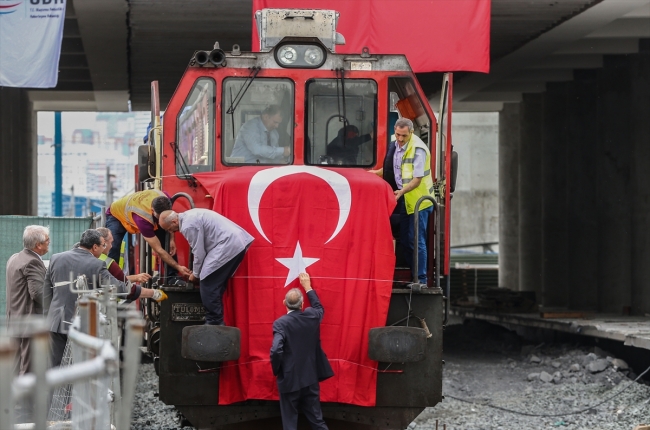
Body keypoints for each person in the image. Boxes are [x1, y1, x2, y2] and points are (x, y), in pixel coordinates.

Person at [43, 229, 165, 367]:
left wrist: (49, 316)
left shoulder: (56, 258)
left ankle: (54, 388)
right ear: (95, 247)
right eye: (103, 245)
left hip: (56, 321)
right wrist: (153, 293)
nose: (104, 248)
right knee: (80, 366)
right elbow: (121, 288)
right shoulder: (96, 264)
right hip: (82, 323)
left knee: (55, 365)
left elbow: (47, 290)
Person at [158, 208, 253, 325]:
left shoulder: (188, 226)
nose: (171, 232)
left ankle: (214, 322)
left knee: (207, 283)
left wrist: (195, 274)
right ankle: (217, 321)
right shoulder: (190, 215)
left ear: (174, 222)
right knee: (215, 286)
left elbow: (199, 252)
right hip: (233, 243)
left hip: (227, 245)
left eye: (169, 229)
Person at [369, 118, 435, 284]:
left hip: (420, 201)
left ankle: (420, 280)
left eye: (403, 136)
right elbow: (393, 168)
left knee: (416, 240)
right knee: (406, 239)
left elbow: (417, 179)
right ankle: (415, 276)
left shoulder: (418, 149)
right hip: (406, 200)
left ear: (411, 133)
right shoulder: (394, 142)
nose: (399, 139)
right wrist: (373, 174)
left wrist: (400, 193)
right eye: (398, 134)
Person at [270, 272, 334, 430]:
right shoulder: (311, 317)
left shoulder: (280, 324)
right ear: (302, 303)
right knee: (317, 421)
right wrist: (308, 287)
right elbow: (319, 308)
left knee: (290, 423)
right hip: (310, 378)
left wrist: (278, 370)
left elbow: (276, 350)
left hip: (289, 380)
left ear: (284, 302)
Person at [105, 190, 191, 280]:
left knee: (166, 243)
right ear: (153, 211)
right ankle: (112, 279)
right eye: (160, 217)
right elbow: (158, 249)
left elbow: (168, 220)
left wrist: (171, 240)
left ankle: (172, 277)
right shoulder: (142, 219)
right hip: (116, 214)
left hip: (142, 210)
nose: (162, 219)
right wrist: (179, 267)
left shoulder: (166, 198)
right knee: (113, 246)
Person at [5, 225, 49, 375]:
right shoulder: (32, 262)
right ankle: (25, 399)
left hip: (14, 320)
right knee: (28, 370)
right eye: (47, 241)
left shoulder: (14, 258)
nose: (49, 243)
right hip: (28, 323)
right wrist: (56, 304)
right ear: (38, 245)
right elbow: (38, 293)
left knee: (15, 368)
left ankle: (12, 397)